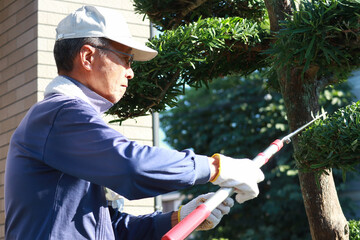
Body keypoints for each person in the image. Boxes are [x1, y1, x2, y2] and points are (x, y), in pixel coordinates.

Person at [4, 6, 264, 240]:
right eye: (125, 59)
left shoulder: (66, 120)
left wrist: (179, 217)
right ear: (87, 57)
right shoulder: (59, 114)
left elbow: (109, 229)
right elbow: (132, 166)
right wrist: (215, 167)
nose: (130, 71)